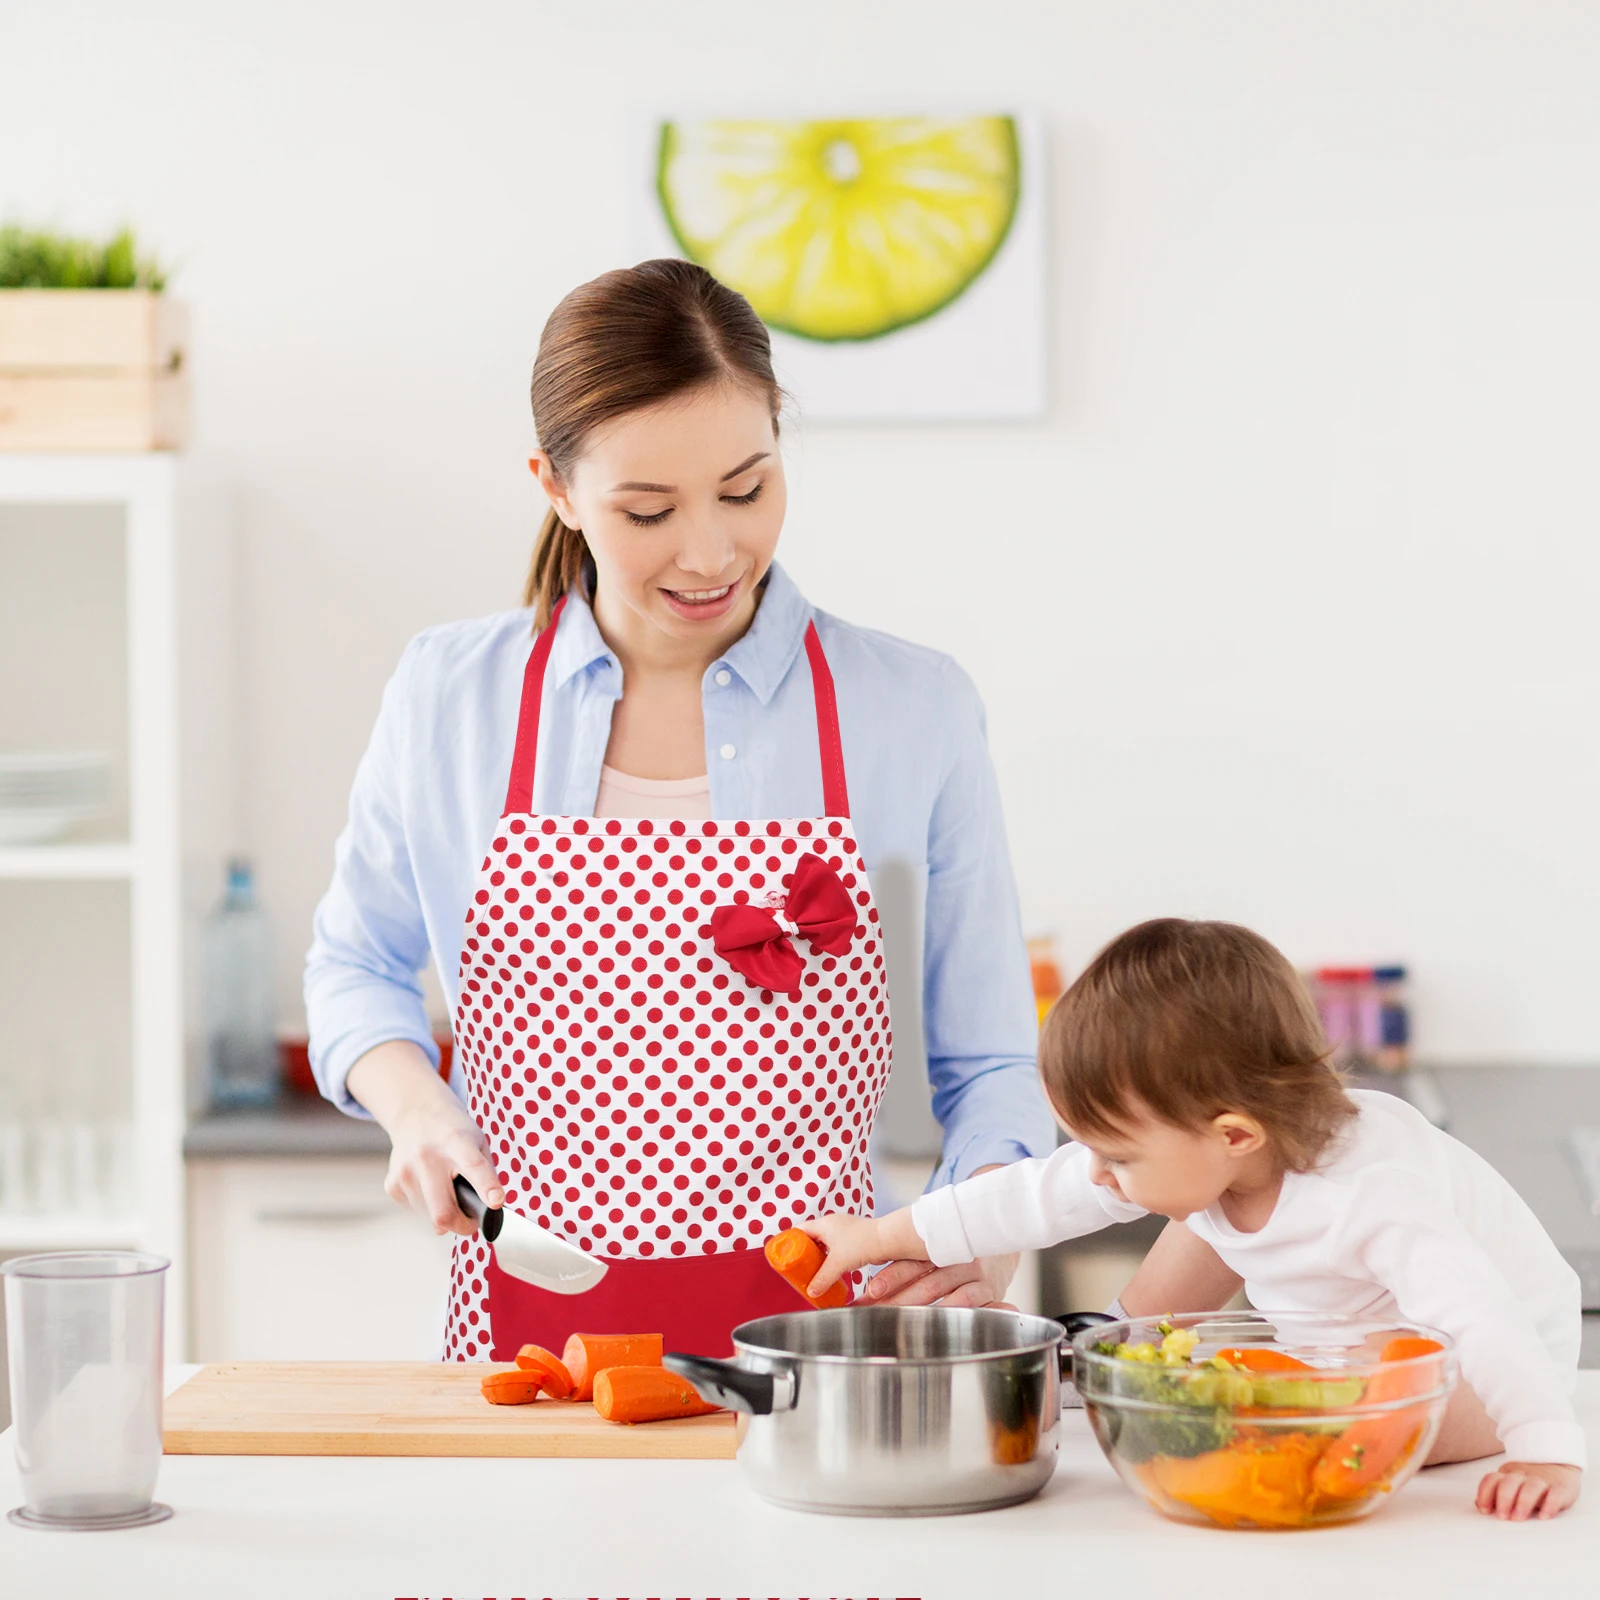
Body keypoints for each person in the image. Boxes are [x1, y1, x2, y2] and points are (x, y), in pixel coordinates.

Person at [304, 259, 1054, 1360]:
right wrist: (417, 1109)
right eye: (647, 510)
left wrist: (984, 1215)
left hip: (828, 1353)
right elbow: (352, 965)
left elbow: (991, 1060)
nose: (709, 553)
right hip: (527, 1329)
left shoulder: (913, 708)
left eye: (745, 490)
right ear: (554, 487)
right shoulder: (449, 695)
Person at [802, 918, 1585, 1521]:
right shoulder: (1210, 1150)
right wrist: (874, 1237)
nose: (1098, 1172)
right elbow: (1036, 1194)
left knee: (1328, 1430)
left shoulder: (1374, 1195)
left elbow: (1482, 1318)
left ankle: (1167, 1378)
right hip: (1346, 1337)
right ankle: (1108, 1354)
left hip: (1491, 1362)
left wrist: (1546, 1450)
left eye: (1117, 1153)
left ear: (1234, 1132)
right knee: (1196, 1214)